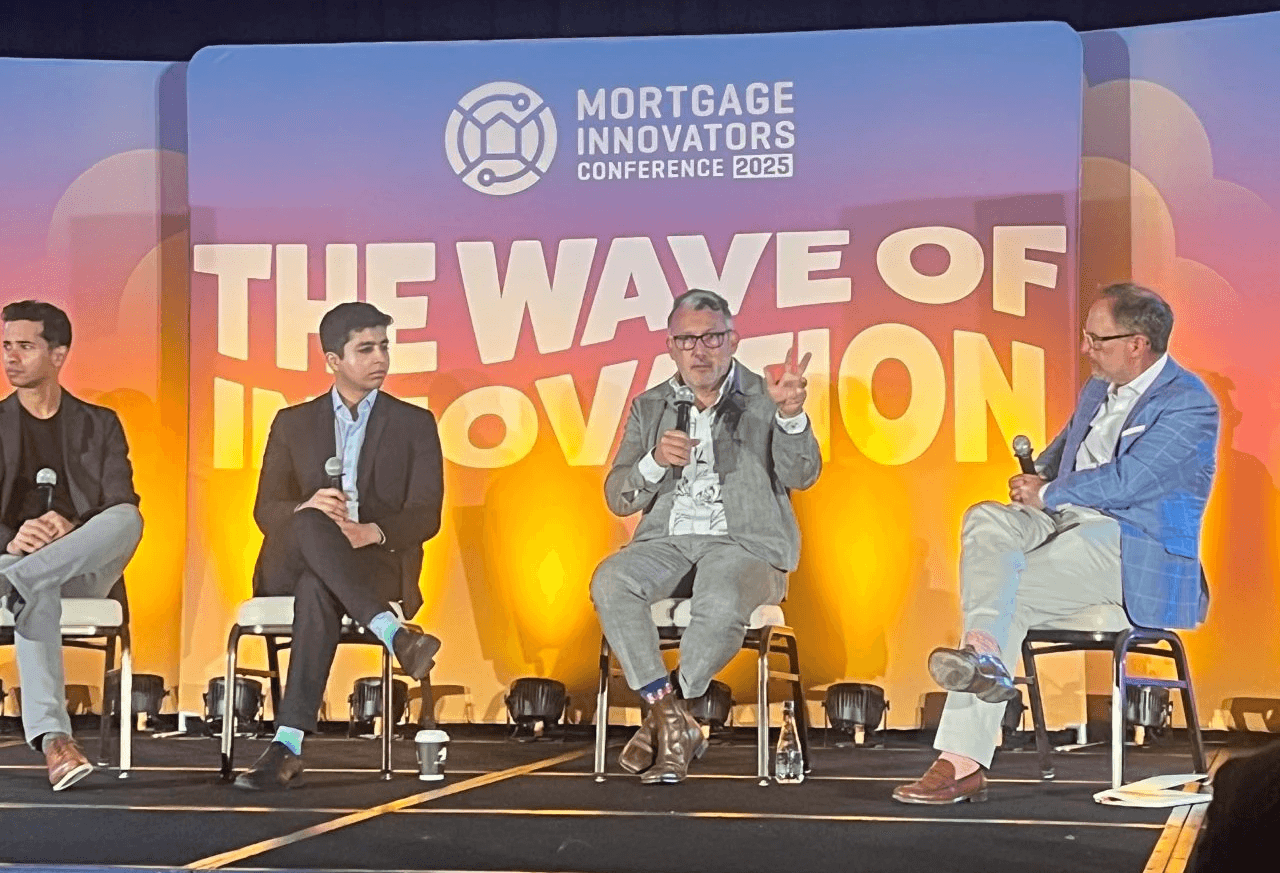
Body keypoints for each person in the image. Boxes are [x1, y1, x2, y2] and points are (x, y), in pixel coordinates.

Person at [894, 283, 1218, 804]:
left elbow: (1130, 481)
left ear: (1137, 344)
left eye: (1097, 339)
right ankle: (984, 653)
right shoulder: (1098, 389)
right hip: (1063, 523)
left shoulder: (1190, 405)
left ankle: (960, 759)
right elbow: (1065, 454)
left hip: (1130, 543)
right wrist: (1037, 478)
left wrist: (1048, 491)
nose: (1085, 348)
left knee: (1009, 592)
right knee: (985, 520)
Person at [591, 288, 821, 784]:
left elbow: (801, 474)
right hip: (667, 542)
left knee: (720, 593)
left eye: (712, 338)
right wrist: (654, 461)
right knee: (611, 580)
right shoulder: (650, 405)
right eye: (687, 340)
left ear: (733, 340)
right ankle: (675, 722)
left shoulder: (767, 393)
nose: (699, 351)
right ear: (670, 347)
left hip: (746, 546)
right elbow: (618, 496)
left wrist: (790, 417)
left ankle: (664, 722)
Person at [234, 301, 445, 790]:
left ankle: (286, 745)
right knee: (310, 521)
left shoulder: (414, 424)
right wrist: (308, 507)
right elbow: (266, 510)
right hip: (290, 559)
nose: (380, 359)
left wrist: (370, 531)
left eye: (384, 347)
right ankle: (392, 632)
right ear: (333, 360)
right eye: (365, 349)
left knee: (317, 587)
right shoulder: (292, 422)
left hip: (370, 562)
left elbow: (425, 514)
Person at [0, 300, 144, 791]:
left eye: (25, 346)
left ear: (58, 355)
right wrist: (13, 537)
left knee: (127, 519)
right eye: (6, 345)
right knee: (37, 589)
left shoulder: (99, 424)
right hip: (15, 558)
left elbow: (119, 500)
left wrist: (73, 528)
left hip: (80, 567)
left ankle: (19, 582)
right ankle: (56, 742)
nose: (11, 357)